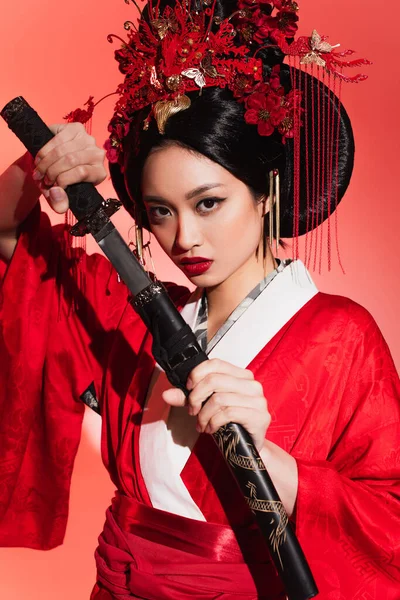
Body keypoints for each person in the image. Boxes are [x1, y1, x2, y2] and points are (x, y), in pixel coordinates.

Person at [0, 0, 399, 598]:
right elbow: (9, 234)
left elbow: (389, 522)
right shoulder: (135, 320)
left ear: (266, 192)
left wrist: (275, 466)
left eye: (208, 202)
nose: (183, 237)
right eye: (162, 211)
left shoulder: (341, 336)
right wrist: (45, 164)